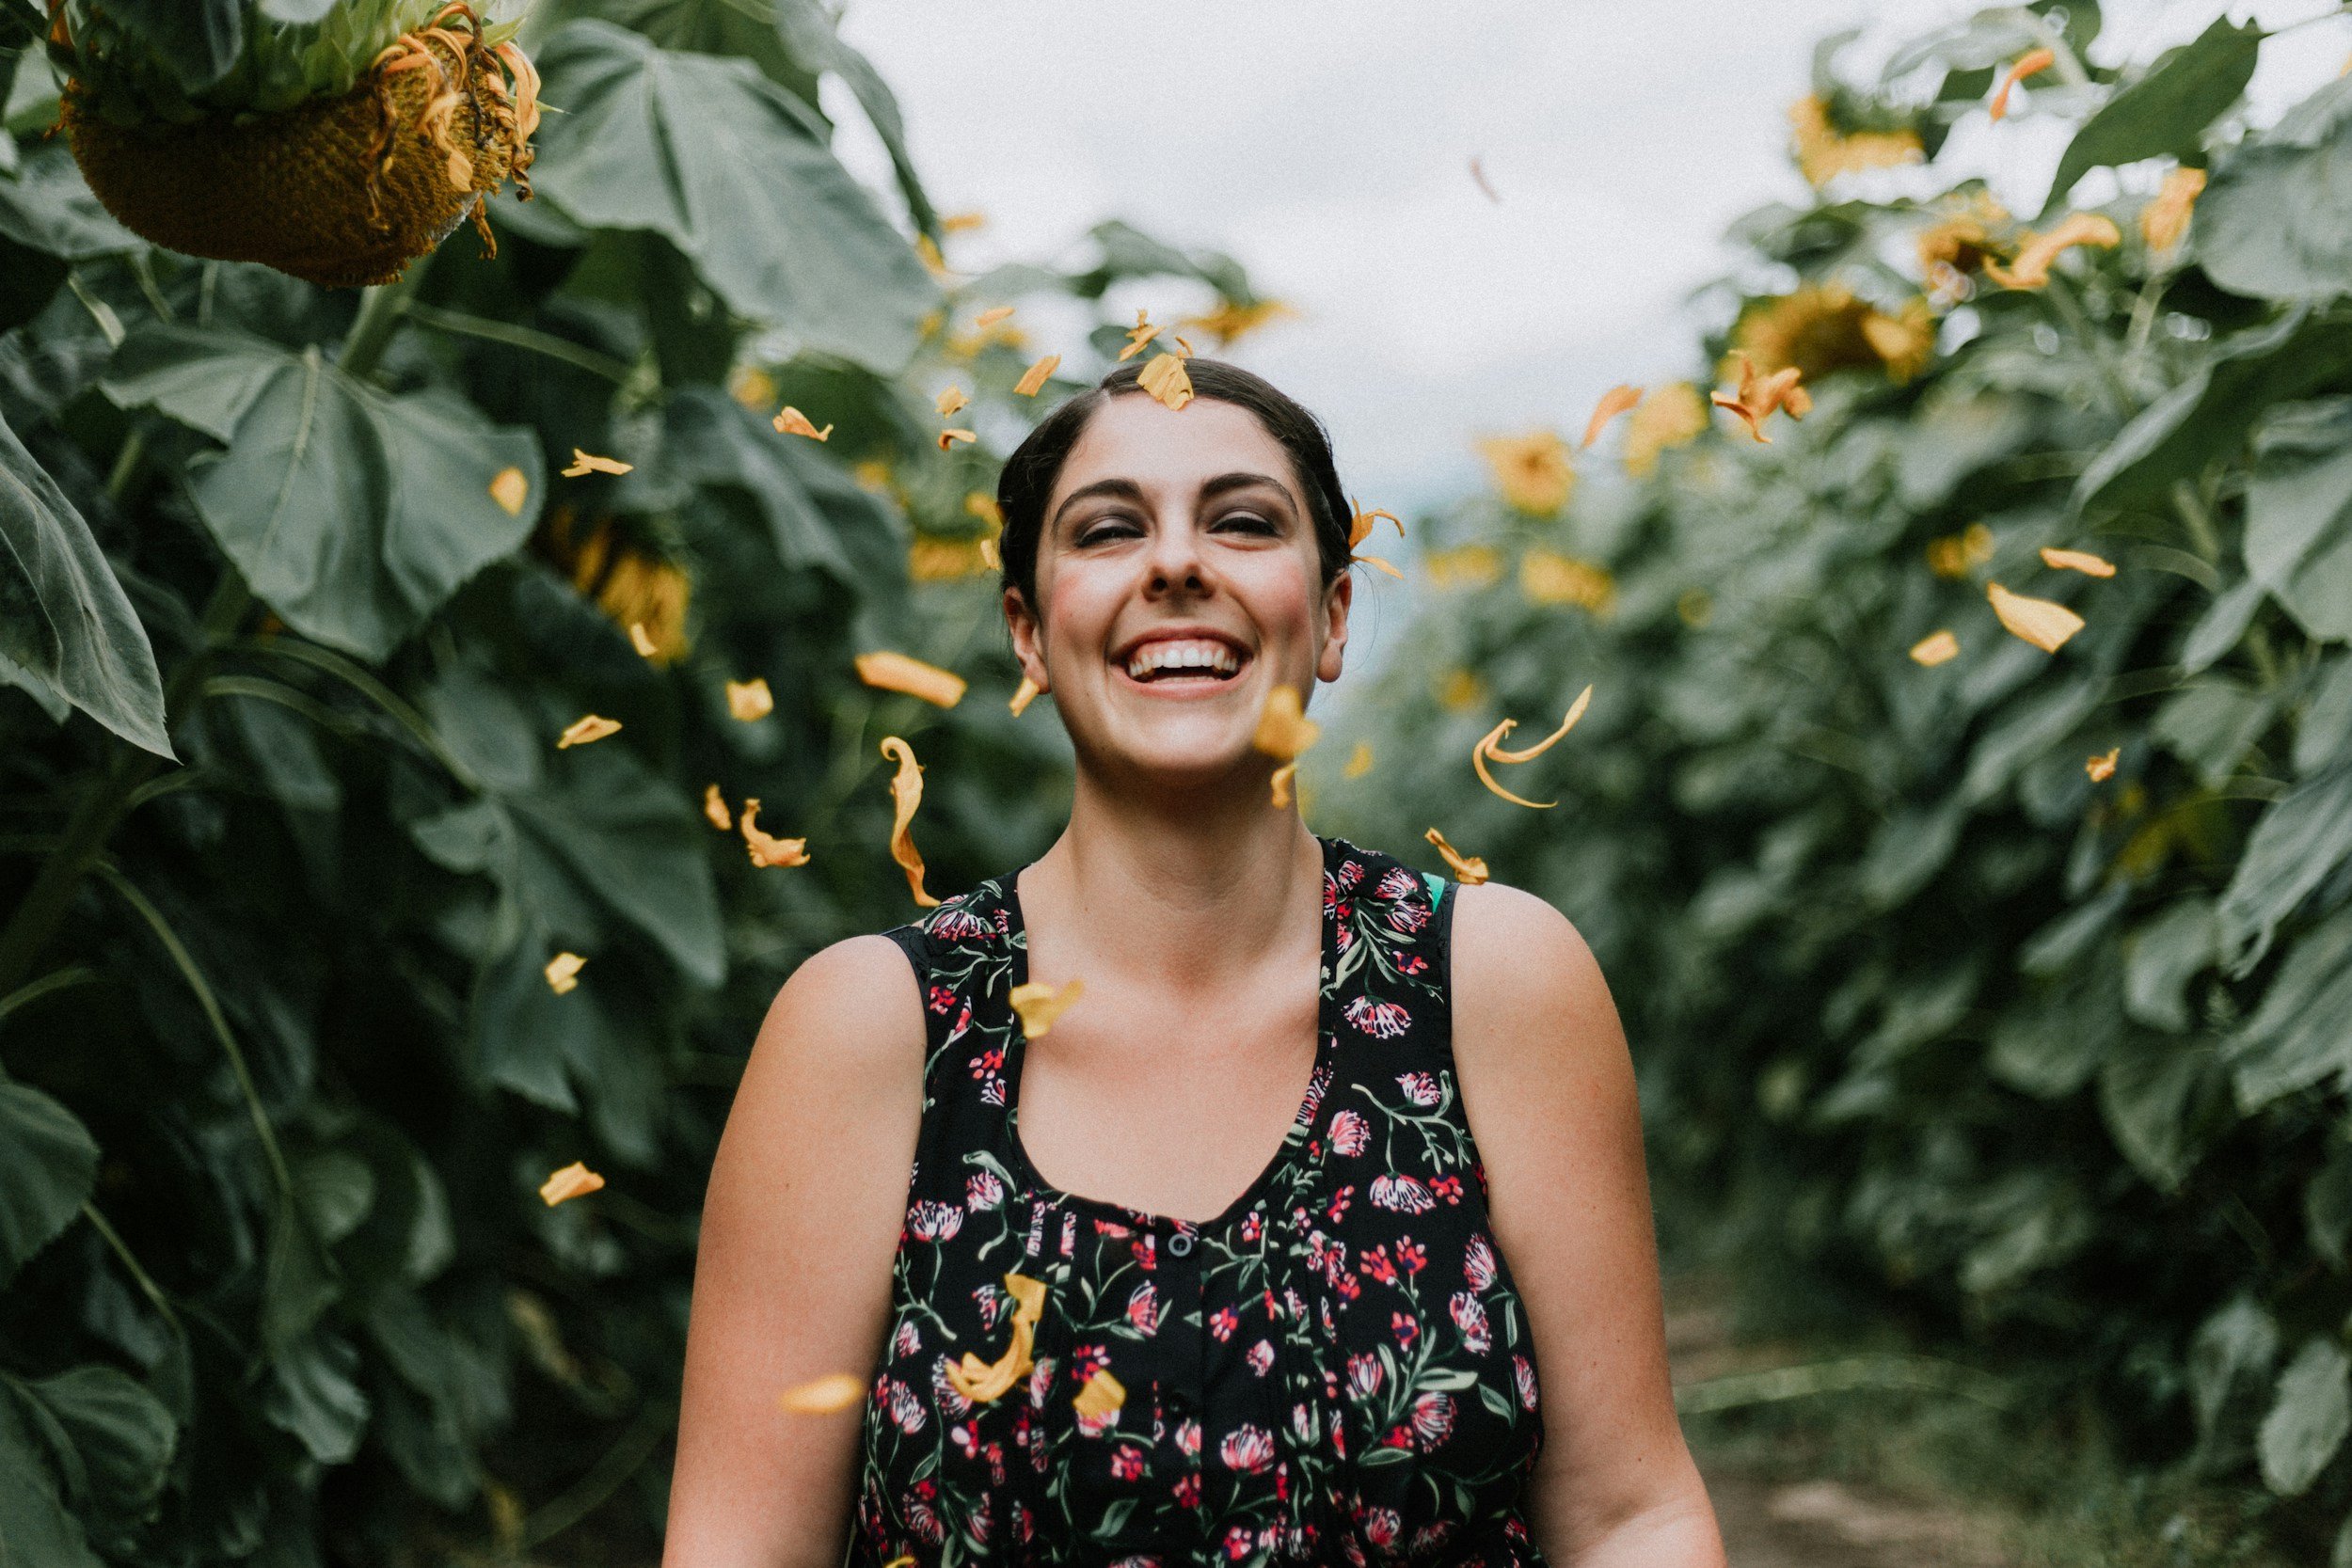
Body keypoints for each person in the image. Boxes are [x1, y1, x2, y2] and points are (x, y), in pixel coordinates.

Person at [664, 359, 1725, 1567]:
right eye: (1110, 529)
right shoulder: (873, 1027)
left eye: (1241, 521)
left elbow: (1631, 1514)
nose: (1177, 563)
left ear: (1328, 617)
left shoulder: (1492, 980)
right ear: (1027, 630)